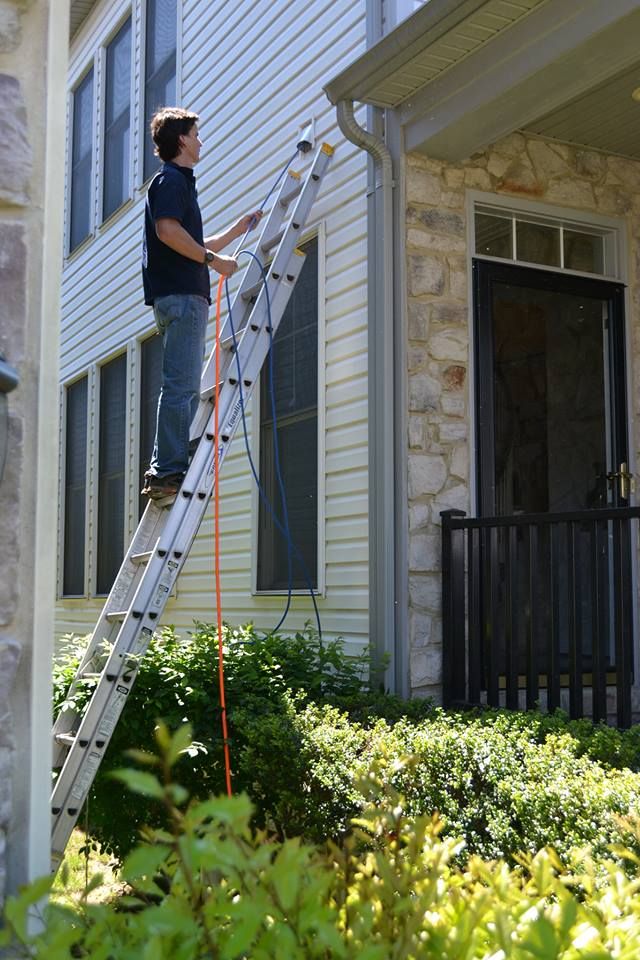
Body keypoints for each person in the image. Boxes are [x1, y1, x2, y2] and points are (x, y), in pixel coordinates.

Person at [141, 106, 262, 499]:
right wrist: (216, 263)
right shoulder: (171, 181)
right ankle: (167, 472)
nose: (200, 140)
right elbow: (168, 232)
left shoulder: (176, 183)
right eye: (196, 133)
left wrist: (236, 231)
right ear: (181, 140)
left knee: (180, 385)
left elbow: (189, 243)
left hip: (178, 296)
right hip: (181, 297)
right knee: (182, 387)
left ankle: (166, 468)